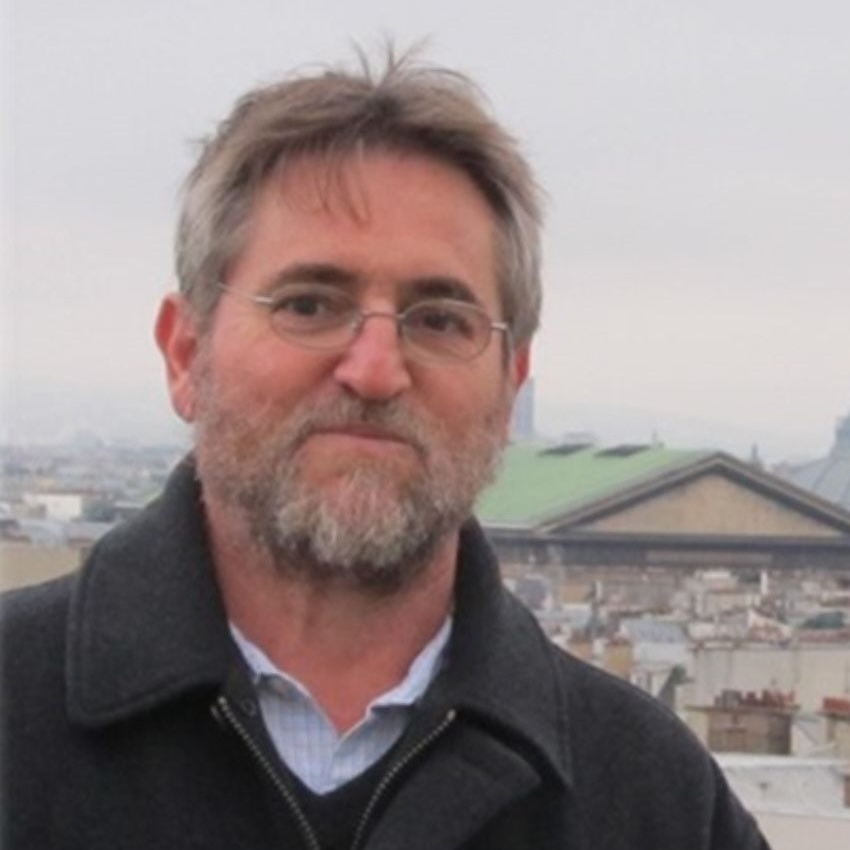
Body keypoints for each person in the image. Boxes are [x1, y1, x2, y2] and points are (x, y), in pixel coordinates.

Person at [1, 48, 771, 849]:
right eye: (309, 305)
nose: (374, 371)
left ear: (510, 387)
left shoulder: (656, 800)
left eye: (439, 320)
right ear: (185, 354)